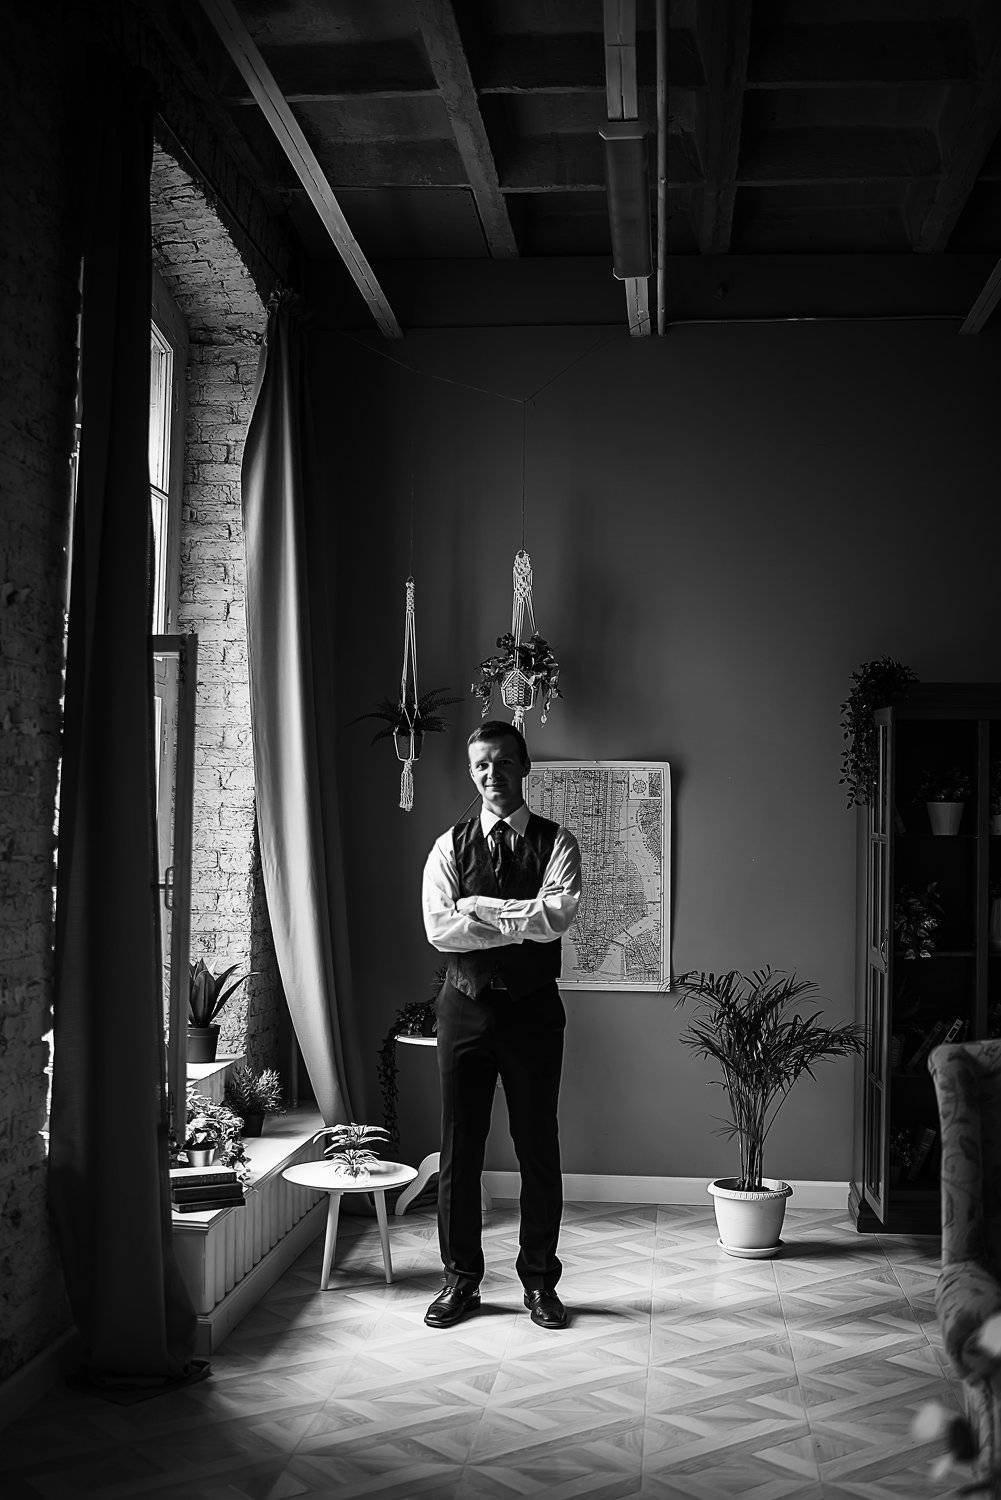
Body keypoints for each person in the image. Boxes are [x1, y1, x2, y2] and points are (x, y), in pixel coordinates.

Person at [421, 719, 582, 1330]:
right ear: (472, 772)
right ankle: (460, 1281)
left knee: (537, 1146)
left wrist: (481, 908)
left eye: (505, 762)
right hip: (463, 1008)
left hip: (533, 1011)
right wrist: (520, 920)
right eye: (482, 764)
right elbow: (442, 930)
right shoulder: (447, 846)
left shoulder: (558, 842)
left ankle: (540, 1281)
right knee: (460, 1148)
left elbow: (556, 917)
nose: (494, 774)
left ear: (525, 766)